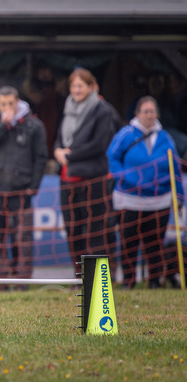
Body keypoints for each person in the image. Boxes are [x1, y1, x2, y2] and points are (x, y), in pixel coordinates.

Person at [107, 96, 183, 288]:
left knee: (155, 242)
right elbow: (112, 157)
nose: (149, 115)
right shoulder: (125, 134)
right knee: (128, 242)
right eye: (145, 111)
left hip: (160, 199)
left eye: (152, 111)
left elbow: (175, 168)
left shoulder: (166, 137)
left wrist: (179, 195)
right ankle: (128, 281)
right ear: (137, 113)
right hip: (129, 198)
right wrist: (123, 176)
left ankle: (155, 281)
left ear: (157, 114)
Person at [0, 86, 48, 282]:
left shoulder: (34, 125)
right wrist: (2, 125)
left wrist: (33, 187)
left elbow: (41, 158)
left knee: (23, 238)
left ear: (17, 102)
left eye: (11, 103)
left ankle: (22, 280)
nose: (7, 107)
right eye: (3, 104)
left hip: (22, 190)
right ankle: (0, 279)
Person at [54, 68, 121, 265]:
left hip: (94, 179)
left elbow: (100, 144)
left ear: (91, 87)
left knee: (95, 231)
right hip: (68, 180)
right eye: (73, 86)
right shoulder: (67, 108)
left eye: (80, 86)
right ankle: (80, 278)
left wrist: (71, 156)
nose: (76, 90)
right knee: (73, 231)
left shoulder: (103, 110)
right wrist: (57, 151)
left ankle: (98, 282)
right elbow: (59, 138)